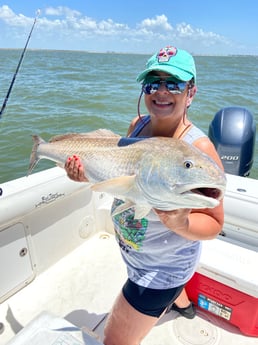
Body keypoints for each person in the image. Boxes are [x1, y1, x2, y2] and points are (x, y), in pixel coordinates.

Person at [65, 45, 224, 345]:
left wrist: (180, 223)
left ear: (190, 93)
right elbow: (120, 173)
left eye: (173, 83)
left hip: (158, 272)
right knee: (175, 288)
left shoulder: (199, 151)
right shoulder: (138, 126)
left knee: (115, 339)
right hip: (137, 251)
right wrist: (86, 173)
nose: (161, 91)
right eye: (153, 83)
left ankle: (173, 293)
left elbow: (215, 221)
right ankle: (184, 304)